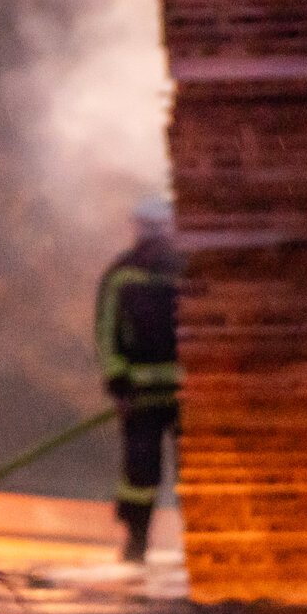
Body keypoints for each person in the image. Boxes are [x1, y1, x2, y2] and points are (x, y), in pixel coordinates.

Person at [94, 199, 182, 564]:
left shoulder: (179, 273)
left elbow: (105, 330)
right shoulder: (124, 275)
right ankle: (136, 542)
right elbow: (107, 330)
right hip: (152, 393)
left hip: (175, 393)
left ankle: (189, 546)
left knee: (180, 475)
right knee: (140, 475)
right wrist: (117, 377)